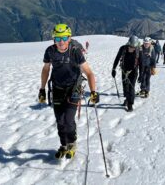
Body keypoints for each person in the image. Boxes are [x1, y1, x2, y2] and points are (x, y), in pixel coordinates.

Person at [39, 24, 99, 159]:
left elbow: (89, 73)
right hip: (57, 88)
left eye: (64, 37)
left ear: (69, 37)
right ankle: (63, 145)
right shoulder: (50, 51)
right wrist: (42, 89)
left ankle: (72, 144)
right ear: (53, 39)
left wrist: (93, 92)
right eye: (58, 38)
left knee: (68, 119)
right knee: (60, 120)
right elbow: (46, 70)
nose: (61, 42)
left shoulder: (75, 51)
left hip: (74, 89)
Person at [111, 35, 143, 112]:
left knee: (131, 88)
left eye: (134, 47)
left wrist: (141, 75)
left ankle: (130, 104)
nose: (132, 48)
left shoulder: (139, 51)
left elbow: (141, 64)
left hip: (133, 71)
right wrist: (113, 69)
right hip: (124, 71)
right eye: (131, 46)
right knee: (125, 87)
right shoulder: (123, 49)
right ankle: (127, 99)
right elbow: (117, 58)